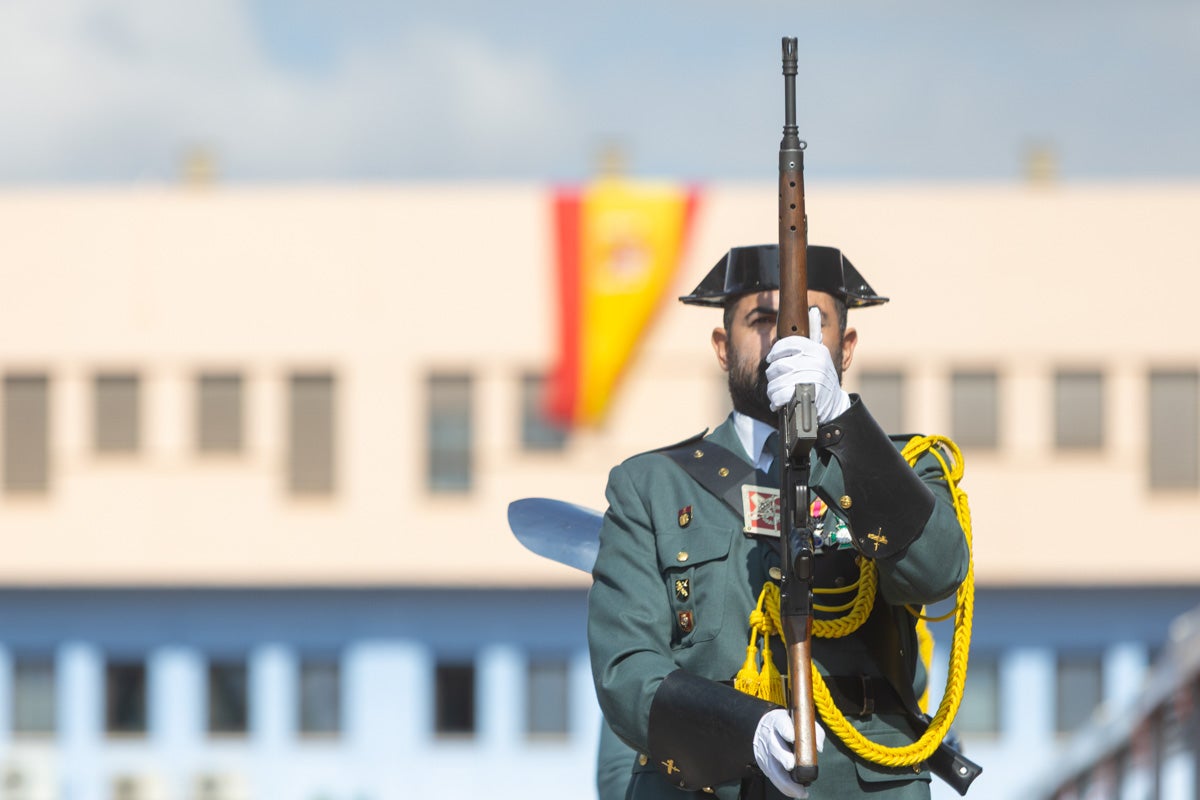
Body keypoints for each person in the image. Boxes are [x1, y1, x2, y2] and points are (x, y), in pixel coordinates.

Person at [587, 244, 970, 800]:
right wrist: (744, 730)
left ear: (847, 346)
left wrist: (840, 425)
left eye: (812, 322)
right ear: (722, 347)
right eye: (763, 321)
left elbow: (937, 572)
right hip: (708, 782)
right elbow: (625, 668)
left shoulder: (906, 468)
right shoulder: (649, 485)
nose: (787, 339)